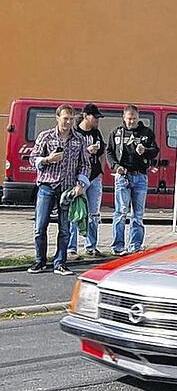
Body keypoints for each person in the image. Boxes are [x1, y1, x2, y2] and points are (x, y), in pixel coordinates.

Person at [27, 104, 90, 276]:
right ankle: (40, 261)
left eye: (71, 119)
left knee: (65, 228)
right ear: (57, 118)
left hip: (67, 189)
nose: (68, 122)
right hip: (47, 186)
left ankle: (60, 263)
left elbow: (85, 164)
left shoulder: (79, 139)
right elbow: (32, 159)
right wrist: (47, 159)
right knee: (40, 226)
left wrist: (81, 184)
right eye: (65, 119)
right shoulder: (45, 136)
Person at [106, 104, 159, 256]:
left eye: (134, 119)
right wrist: (115, 167)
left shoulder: (146, 133)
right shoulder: (116, 133)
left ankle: (135, 245)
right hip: (123, 176)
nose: (131, 122)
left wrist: (145, 151)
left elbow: (155, 151)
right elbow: (109, 151)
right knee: (121, 211)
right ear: (124, 117)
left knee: (138, 214)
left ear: (138, 118)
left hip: (140, 176)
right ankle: (118, 246)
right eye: (129, 119)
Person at [67, 103, 106, 259]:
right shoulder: (75, 133)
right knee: (75, 212)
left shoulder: (96, 133)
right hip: (77, 178)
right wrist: (87, 151)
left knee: (94, 214)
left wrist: (101, 171)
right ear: (85, 116)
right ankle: (71, 248)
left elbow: (103, 151)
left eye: (98, 117)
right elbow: (69, 154)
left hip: (94, 177)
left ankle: (91, 246)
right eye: (95, 117)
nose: (97, 120)